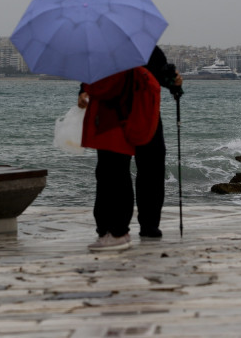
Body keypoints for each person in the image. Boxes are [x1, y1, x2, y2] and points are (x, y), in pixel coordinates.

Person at [78, 47, 183, 251]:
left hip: (132, 114)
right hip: (130, 114)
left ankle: (138, 228)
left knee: (126, 170)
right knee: (118, 171)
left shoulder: (142, 49)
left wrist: (174, 82)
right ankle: (120, 229)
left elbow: (163, 76)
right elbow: (92, 80)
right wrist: (83, 90)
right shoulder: (129, 48)